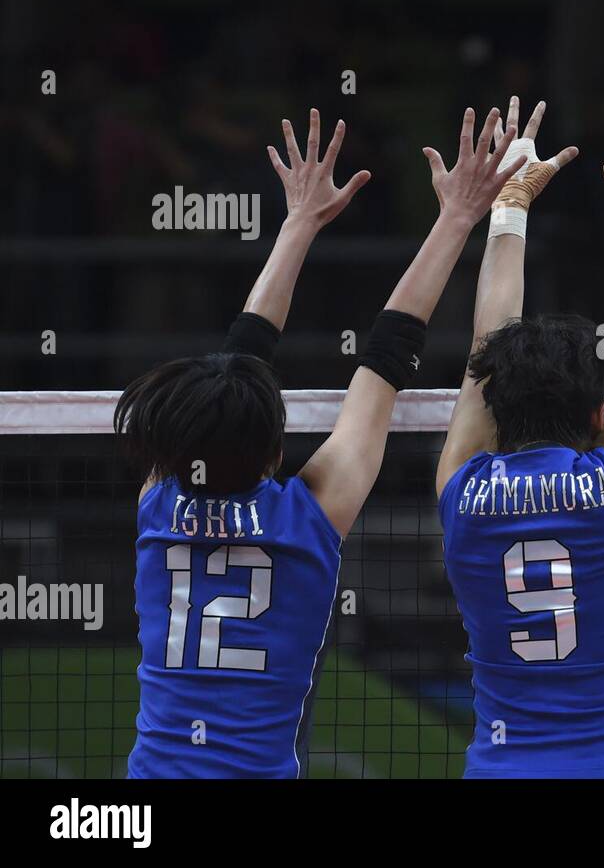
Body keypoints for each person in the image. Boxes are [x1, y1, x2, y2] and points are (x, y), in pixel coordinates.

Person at [117, 106, 525, 777]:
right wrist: (458, 216)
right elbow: (388, 352)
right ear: (276, 452)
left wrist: (298, 223)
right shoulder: (307, 516)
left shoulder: (158, 506)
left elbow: (242, 365)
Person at [435, 95, 604, 778]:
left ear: (494, 399)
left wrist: (511, 205)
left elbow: (482, 343)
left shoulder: (462, 490)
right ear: (598, 414)